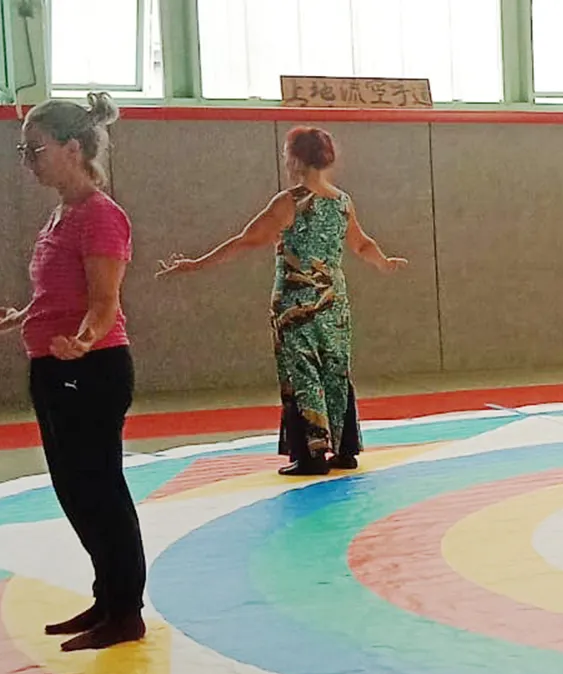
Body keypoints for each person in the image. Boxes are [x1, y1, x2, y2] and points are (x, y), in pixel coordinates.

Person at [0, 93, 148, 652]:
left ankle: (126, 611)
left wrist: (84, 340)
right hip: (53, 365)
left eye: (37, 148)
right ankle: (107, 597)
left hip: (91, 368)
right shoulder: (61, 215)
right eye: (23, 149)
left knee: (99, 487)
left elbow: (104, 302)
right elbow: (55, 293)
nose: (29, 159)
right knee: (73, 489)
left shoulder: (102, 215)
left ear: (73, 149)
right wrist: (19, 318)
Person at [156, 126, 406, 475]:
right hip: (334, 301)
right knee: (335, 369)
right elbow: (362, 244)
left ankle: (311, 454)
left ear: (295, 159)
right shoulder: (342, 202)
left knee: (301, 371)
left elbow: (247, 240)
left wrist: (197, 264)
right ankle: (345, 449)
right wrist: (384, 262)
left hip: (295, 304)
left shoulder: (290, 201)